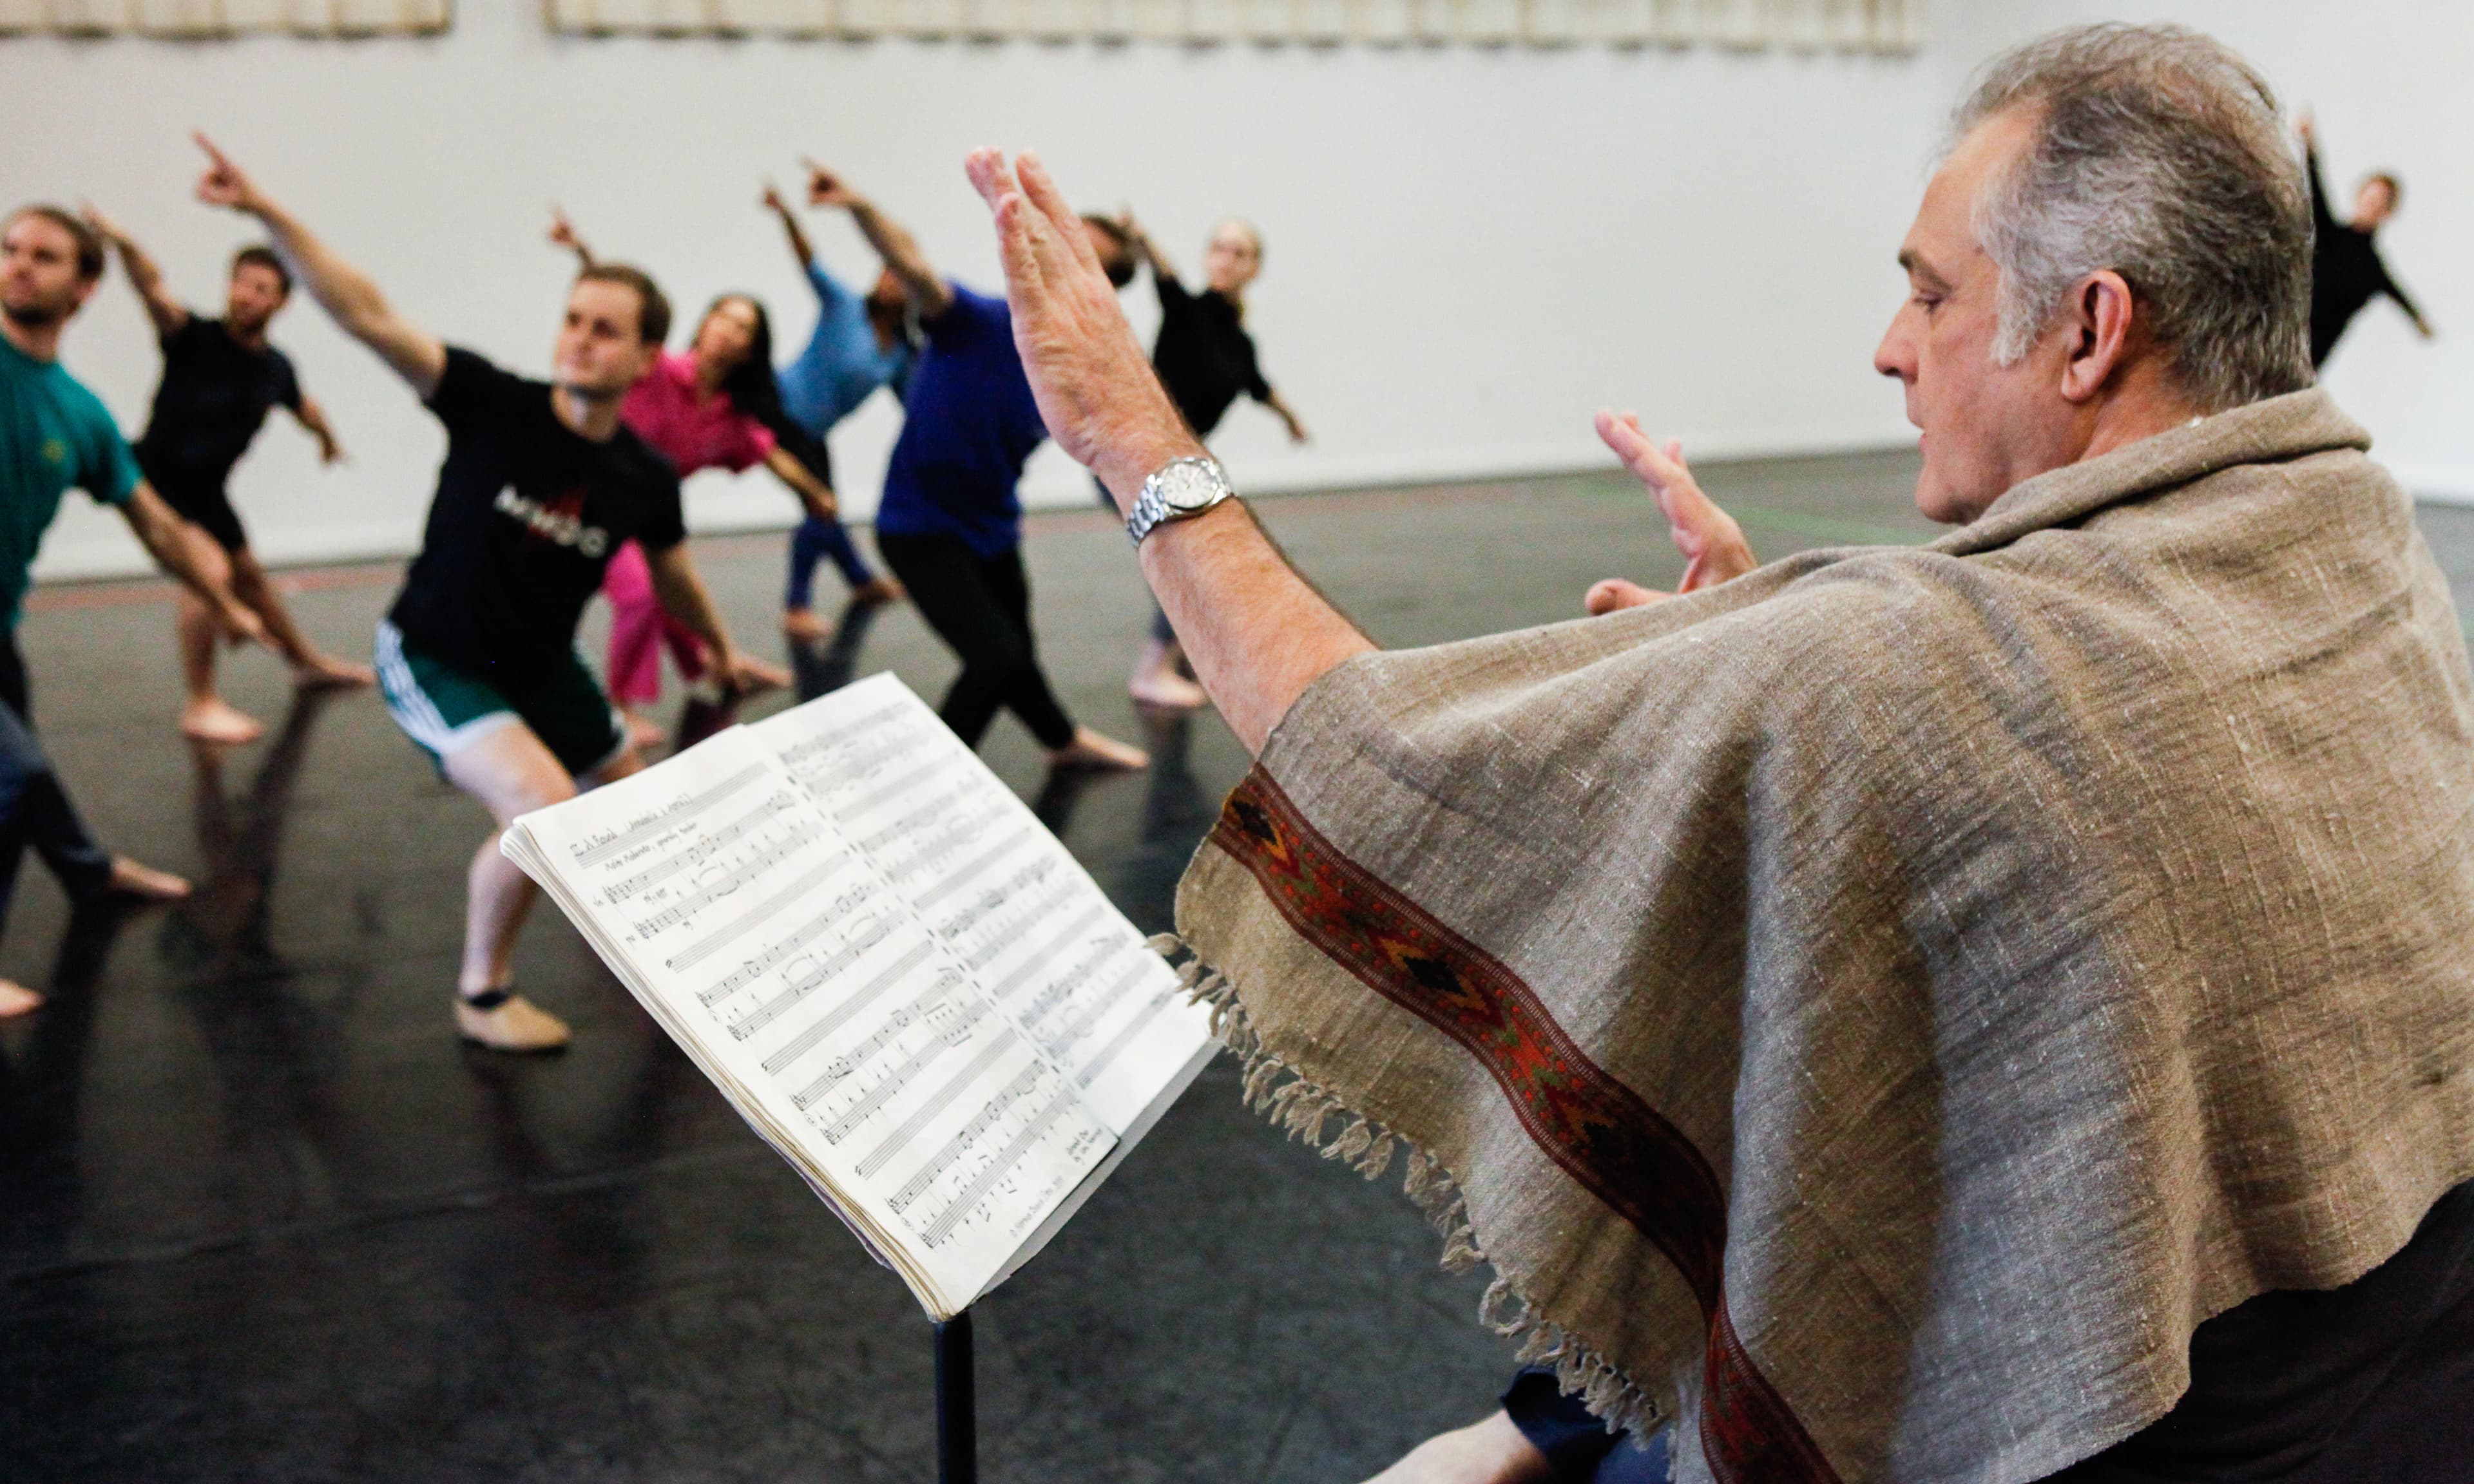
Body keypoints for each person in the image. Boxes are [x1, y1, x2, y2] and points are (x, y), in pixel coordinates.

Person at [966, 21, 2474, 1484]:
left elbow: (1375, 760)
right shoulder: (2353, 545)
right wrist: (1777, 679)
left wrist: (1127, 438)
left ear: (2088, 330)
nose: (1889, 348)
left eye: (1930, 295)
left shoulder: (1908, 670)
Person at [193, 137, 776, 1052]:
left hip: (539, 661)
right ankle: (483, 993)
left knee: (625, 798)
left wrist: (722, 650)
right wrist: (266, 211)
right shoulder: (491, 402)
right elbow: (366, 315)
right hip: (436, 653)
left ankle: (649, 947)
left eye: (606, 329)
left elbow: (673, 574)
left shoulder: (642, 475)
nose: (580, 338)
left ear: (646, 357)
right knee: (544, 809)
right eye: (573, 320)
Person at [0, 204, 271, 1020]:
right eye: (10, 249)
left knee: (26, 759)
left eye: (44, 256)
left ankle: (88, 873)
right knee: (12, 773)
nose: (19, 265)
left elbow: (156, 525)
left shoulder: (79, 412)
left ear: (84, 288)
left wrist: (223, 602)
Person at [822, 164, 1147, 771]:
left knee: (1017, 650)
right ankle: (934, 784)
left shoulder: (1072, 370)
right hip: (919, 530)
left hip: (993, 528)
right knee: (997, 660)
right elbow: (912, 265)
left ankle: (1061, 742)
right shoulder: (975, 322)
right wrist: (860, 207)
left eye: (1086, 260)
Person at [79, 208, 372, 743]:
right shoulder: (191, 337)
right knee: (208, 575)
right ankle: (201, 703)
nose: (246, 296)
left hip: (207, 490)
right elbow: (153, 289)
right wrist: (124, 242)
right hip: (157, 478)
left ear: (281, 303)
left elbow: (303, 406)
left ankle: (306, 664)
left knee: (252, 580)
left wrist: (327, 440)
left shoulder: (276, 368)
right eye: (240, 283)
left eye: (261, 289)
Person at [546, 212, 803, 747]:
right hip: (591, 503)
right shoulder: (657, 368)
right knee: (642, 595)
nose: (727, 330)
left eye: (742, 327)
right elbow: (621, 313)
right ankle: (617, 711)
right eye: (721, 317)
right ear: (704, 325)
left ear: (751, 349)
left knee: (676, 594)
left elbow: (769, 453)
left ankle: (719, 664)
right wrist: (582, 254)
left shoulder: (731, 416)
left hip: (644, 516)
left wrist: (816, 493)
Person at [1116, 214, 1308, 709]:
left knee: (1205, 556)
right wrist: (1142, 239)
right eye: (1219, 248)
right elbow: (1165, 276)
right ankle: (1151, 672)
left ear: (1255, 268)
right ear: (1207, 257)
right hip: (1134, 455)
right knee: (1185, 563)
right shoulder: (1187, 312)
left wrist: (1292, 422)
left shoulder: (1240, 343)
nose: (1227, 259)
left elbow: (1260, 388)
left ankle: (1180, 652)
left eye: (1239, 253)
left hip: (1175, 464)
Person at [764, 166, 915, 638]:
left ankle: (861, 580)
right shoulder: (844, 306)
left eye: (901, 277)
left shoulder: (900, 354)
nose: (890, 282)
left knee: (828, 504)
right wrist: (787, 216)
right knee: (821, 507)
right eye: (885, 273)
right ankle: (796, 607)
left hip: (813, 431)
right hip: (778, 411)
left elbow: (915, 407)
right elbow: (810, 261)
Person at [2299, 114, 2434, 366]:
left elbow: (2399, 294)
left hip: (2308, 364)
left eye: (2380, 203)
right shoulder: (2329, 235)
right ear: (2359, 196)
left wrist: (2419, 321)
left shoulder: (2373, 269)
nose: (2372, 206)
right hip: (2279, 338)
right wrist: (2310, 148)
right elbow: (2318, 193)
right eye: (2370, 199)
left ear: (2388, 212)